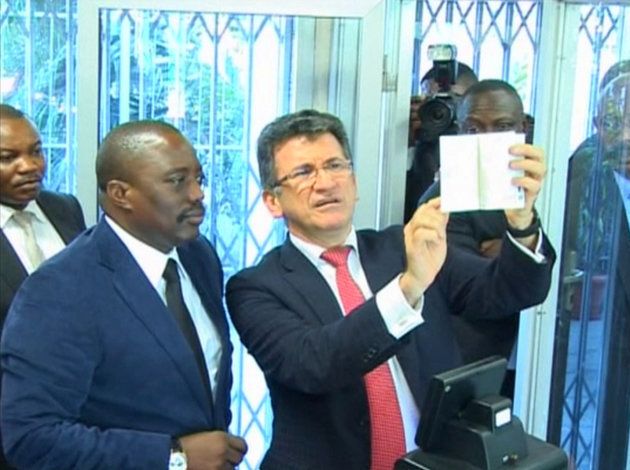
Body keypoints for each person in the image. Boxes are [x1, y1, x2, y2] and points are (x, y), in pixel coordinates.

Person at [226, 109, 555, 469]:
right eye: (304, 172)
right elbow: (315, 363)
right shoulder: (255, 287)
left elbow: (506, 292)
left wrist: (523, 225)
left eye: (336, 165)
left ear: (354, 182)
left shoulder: (403, 245)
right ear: (273, 201)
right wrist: (409, 288)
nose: (325, 183)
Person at [1, 120, 247, 469]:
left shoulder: (198, 256)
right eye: (177, 181)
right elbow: (32, 437)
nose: (197, 194)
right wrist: (174, 458)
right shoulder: (59, 290)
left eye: (199, 179)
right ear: (120, 194)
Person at [550, 67, 629, 468]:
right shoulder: (585, 169)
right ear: (598, 124)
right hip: (593, 338)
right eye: (614, 122)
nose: (626, 136)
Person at [0, 103, 86, 469]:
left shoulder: (65, 209)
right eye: (9, 157)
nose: (30, 166)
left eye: (36, 152)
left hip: (85, 419)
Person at [404, 62, 478, 222]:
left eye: (453, 99)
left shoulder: (482, 152)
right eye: (431, 101)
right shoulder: (418, 149)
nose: (440, 110)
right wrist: (405, 142)